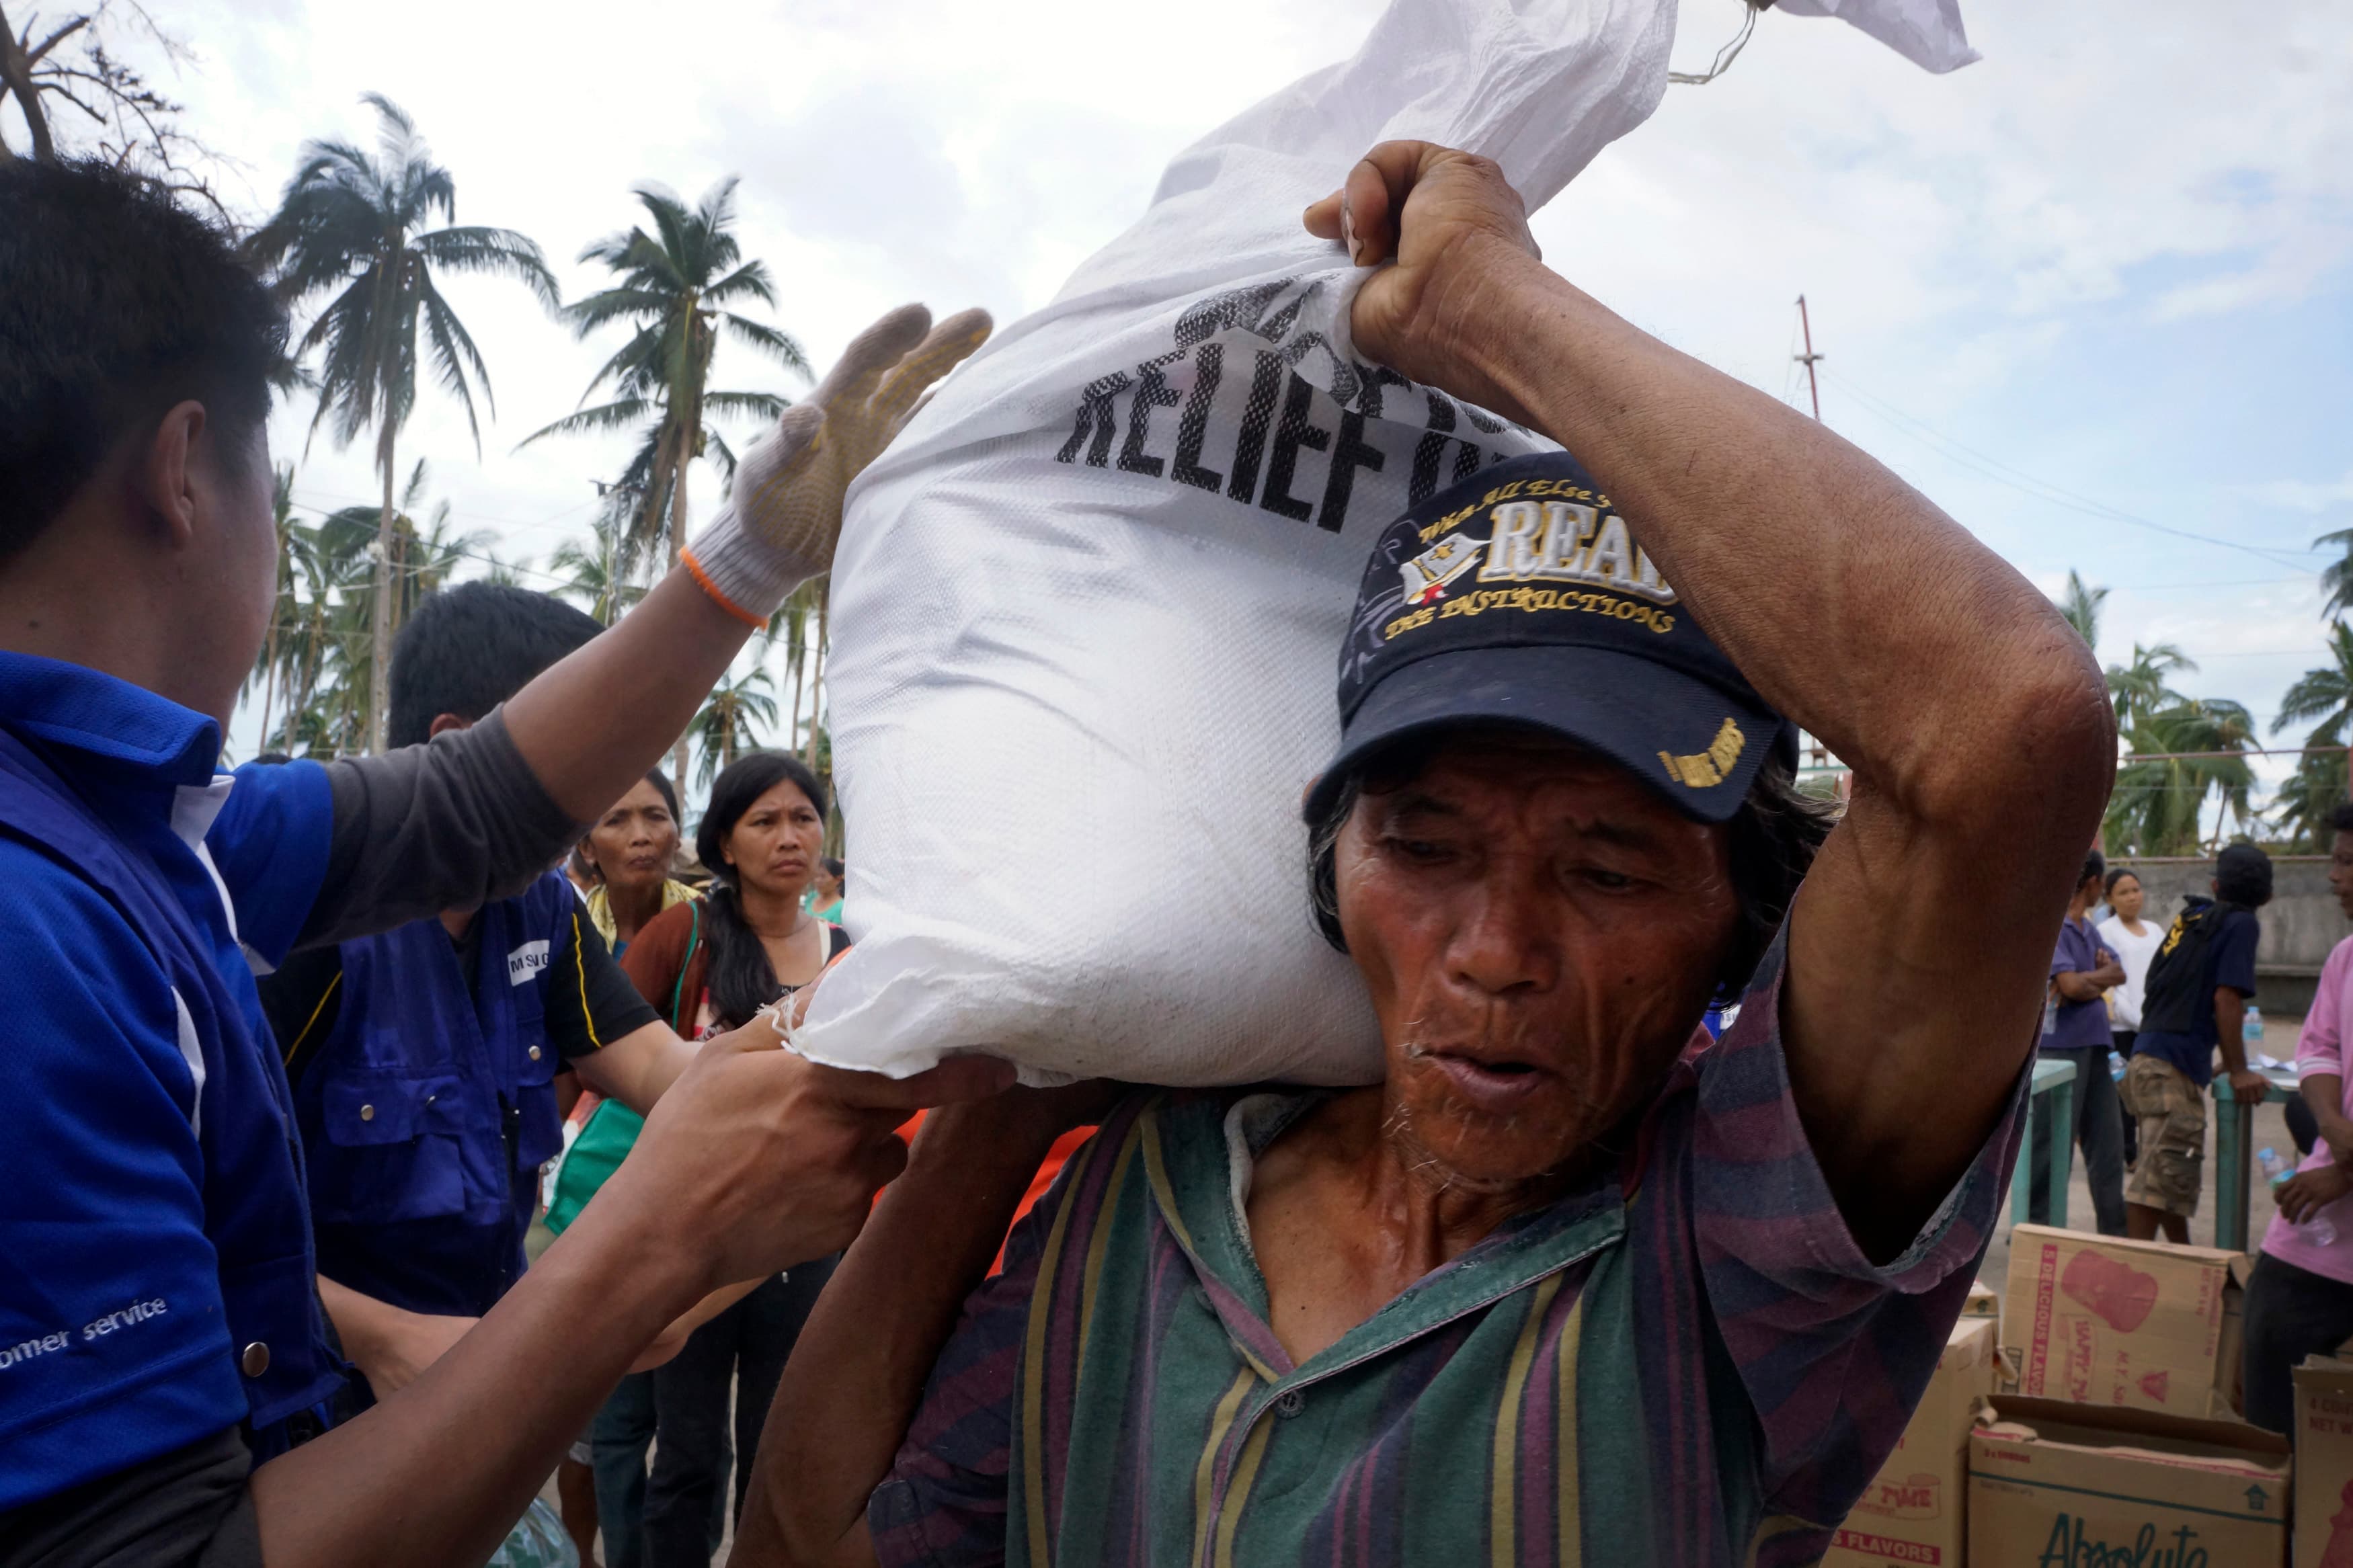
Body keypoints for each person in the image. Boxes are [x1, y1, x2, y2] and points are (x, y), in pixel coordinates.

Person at [730, 140, 2116, 1568]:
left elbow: (2007, 729)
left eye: (1609, 868)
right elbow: (817, 1533)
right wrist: (1013, 1095)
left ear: (1738, 913)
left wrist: (1480, 300)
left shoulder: (1731, 1243)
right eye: (1423, 843)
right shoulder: (1147, 1190)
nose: (1495, 950)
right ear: (1333, 871)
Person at [0, 156, 1002, 1565]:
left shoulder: (152, 827)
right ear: (182, 474)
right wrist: (644, 1245)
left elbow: (475, 805)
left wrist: (742, 566)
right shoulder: (33, 928)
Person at [260, 585, 707, 1403]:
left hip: (485, 1364)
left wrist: (819, 1034)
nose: (596, 808)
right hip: (319, 1387)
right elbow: (198, 1227)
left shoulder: (540, 907)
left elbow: (663, 1069)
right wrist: (381, 1338)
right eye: (588, 758)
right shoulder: (302, 932)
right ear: (465, 749)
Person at [614, 752, 848, 1567]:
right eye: (765, 821)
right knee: (685, 1452)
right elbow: (607, 1060)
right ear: (725, 842)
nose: (790, 837)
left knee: (780, 1449)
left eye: (804, 818)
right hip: (696, 1238)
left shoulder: (849, 952)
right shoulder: (681, 936)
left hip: (812, 1244)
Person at [559, 764, 699, 1565]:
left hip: (684, 1195)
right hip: (581, 1197)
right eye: (618, 818)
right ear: (588, 842)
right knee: (593, 1424)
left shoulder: (711, 930)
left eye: (656, 815)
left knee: (680, 1418)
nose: (642, 833)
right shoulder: (565, 934)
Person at [2243, 805, 2353, 1431]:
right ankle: (2273, 1501)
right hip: (2325, 1228)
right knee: (2272, 1321)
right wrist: (2334, 1128)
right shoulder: (2344, 957)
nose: (2333, 876)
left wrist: (2343, 1172)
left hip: (2334, 1189)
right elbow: (2318, 1048)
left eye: (2345, 861)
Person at [2120, 842, 2273, 1243]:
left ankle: (2186, 1264)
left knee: (2170, 1175)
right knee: (2155, 1183)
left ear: (2215, 884)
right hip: (2171, 1068)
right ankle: (2125, 1282)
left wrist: (2217, 1061)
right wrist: (2239, 1070)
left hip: (2148, 1060)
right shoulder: (2241, 923)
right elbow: (2227, 997)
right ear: (2268, 896)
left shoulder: (2194, 917)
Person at [2030, 850, 2128, 1234]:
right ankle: (2039, 1225)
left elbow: (2116, 973)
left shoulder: (2089, 930)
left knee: (2108, 1143)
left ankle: (2114, 1231)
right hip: (2060, 1049)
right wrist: (2093, 977)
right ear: (2093, 884)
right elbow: (2067, 985)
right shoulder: (2055, 927)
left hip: (2096, 1045)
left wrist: (2088, 979)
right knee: (2051, 1145)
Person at [582, 769, 699, 954]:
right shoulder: (571, 934)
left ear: (678, 837)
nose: (641, 836)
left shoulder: (713, 926)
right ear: (587, 848)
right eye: (615, 821)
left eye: (656, 817)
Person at [2099, 866, 2163, 1162]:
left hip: (2153, 1025)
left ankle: (2152, 1150)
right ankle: (2129, 1153)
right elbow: (2112, 986)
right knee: (2123, 1094)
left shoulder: (2156, 931)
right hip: (2122, 1027)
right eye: (2123, 893)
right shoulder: (2105, 933)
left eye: (2135, 890)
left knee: (2153, 1092)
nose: (2132, 897)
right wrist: (2136, 1018)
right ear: (2110, 898)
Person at [809, 856, 846, 925]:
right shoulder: (811, 897)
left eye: (823, 876)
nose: (817, 880)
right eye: (816, 876)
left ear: (838, 879)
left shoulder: (842, 908)